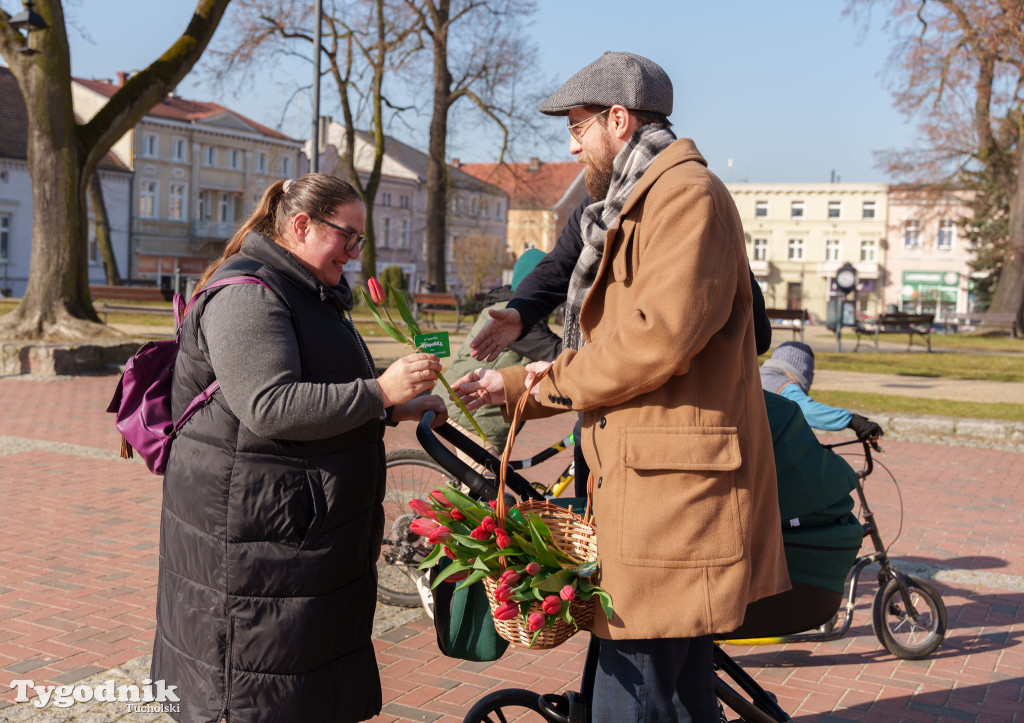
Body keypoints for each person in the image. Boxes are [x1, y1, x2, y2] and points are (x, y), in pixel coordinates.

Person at [452, 52, 789, 721]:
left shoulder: (684, 196)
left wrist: (534, 385)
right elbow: (589, 294)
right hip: (653, 486)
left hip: (674, 496)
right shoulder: (630, 201)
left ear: (618, 119)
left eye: (577, 125)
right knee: (672, 690)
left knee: (631, 692)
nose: (570, 142)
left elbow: (650, 341)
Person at [151, 174, 448, 723]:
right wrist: (379, 390)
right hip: (254, 548)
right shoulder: (248, 296)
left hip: (290, 540)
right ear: (301, 225)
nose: (355, 254)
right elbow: (270, 404)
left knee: (297, 693)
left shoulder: (305, 290)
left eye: (361, 240)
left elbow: (315, 386)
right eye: (347, 237)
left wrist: (389, 409)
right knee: (248, 697)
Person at [433, 249, 561, 457]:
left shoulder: (507, 308)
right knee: (482, 486)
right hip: (469, 417)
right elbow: (559, 354)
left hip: (455, 406)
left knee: (460, 484)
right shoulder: (513, 319)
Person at [760, 341, 884, 439]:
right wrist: (853, 421)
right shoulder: (784, 384)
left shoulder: (758, 375)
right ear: (802, 370)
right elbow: (808, 411)